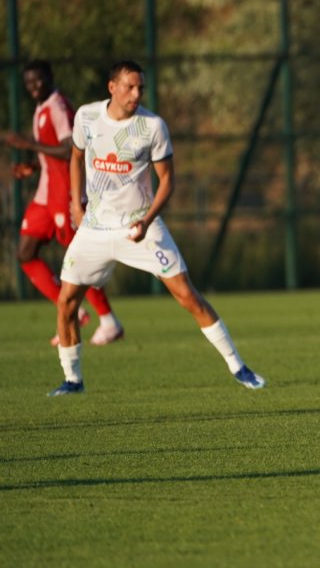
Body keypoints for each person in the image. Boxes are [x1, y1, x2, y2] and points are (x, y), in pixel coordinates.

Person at [48, 60, 264, 396]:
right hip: (94, 229)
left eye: (140, 88)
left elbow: (167, 181)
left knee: (188, 296)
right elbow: (76, 156)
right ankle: (72, 380)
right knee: (66, 303)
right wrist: (76, 204)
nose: (136, 94)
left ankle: (239, 367)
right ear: (112, 87)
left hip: (141, 228)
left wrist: (146, 221)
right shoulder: (87, 117)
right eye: (130, 87)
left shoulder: (152, 127)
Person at [3, 60, 124, 346]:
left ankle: (108, 321)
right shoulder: (41, 108)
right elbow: (53, 153)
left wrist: (30, 146)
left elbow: (71, 148)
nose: (34, 87)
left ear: (49, 78)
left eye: (39, 80)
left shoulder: (57, 107)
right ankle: (72, 311)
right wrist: (35, 164)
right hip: (46, 196)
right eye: (29, 83)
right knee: (25, 253)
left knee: (80, 260)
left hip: (65, 195)